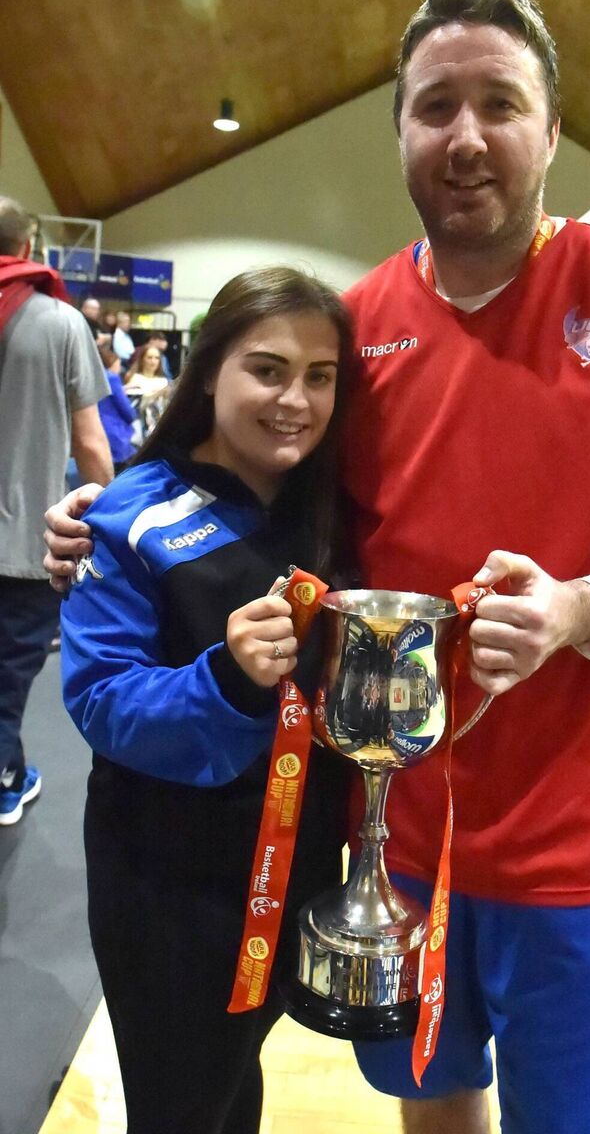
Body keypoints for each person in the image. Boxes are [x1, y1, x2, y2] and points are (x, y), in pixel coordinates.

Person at [44, 0, 590, 1134]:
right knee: (429, 1103)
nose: (466, 137)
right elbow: (262, 501)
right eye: (435, 108)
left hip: (581, 840)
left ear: (553, 131)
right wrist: (113, 511)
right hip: (395, 832)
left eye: (500, 104)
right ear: (400, 137)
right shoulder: (359, 327)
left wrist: (583, 610)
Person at [59, 266, 353, 1134]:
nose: (295, 400)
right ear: (209, 370)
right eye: (267, 369)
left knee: (232, 1081)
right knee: (181, 1104)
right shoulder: (130, 514)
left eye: (320, 376)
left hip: (299, 867)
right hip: (171, 885)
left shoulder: (335, 507)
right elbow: (100, 697)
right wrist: (222, 677)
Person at [0, 195, 112, 826]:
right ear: (27, 248)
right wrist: (116, 522)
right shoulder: (59, 322)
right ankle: (4, 778)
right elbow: (90, 442)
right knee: (8, 674)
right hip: (21, 545)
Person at [97, 346, 139, 471]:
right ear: (113, 363)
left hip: (95, 433)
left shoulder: (91, 377)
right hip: (116, 435)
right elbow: (126, 410)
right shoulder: (112, 378)